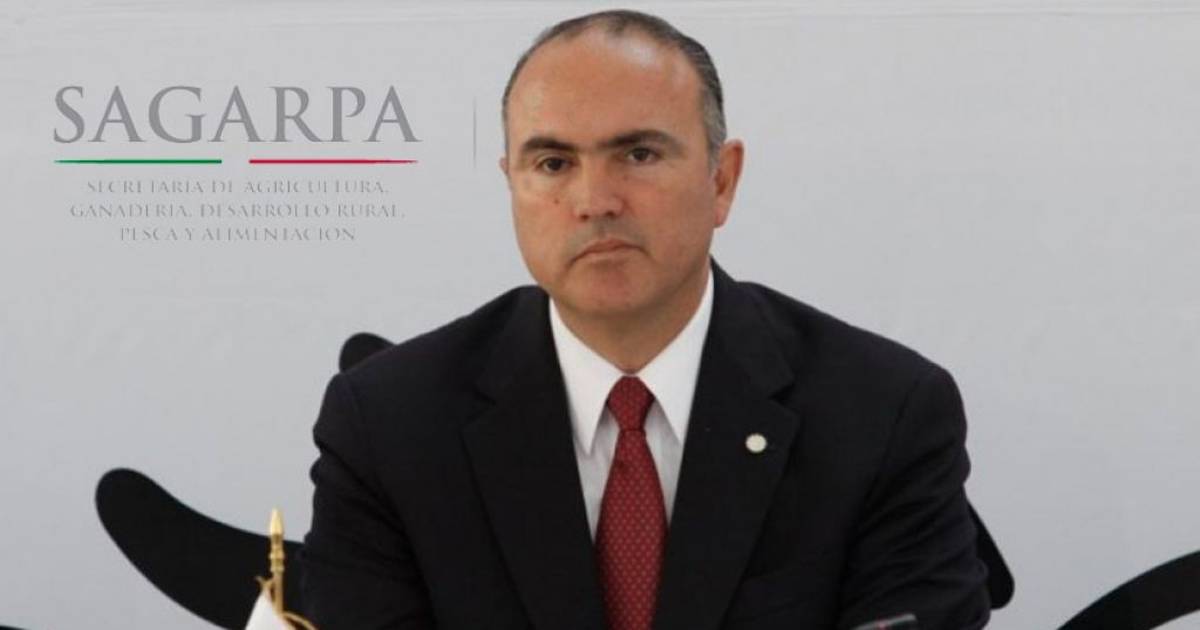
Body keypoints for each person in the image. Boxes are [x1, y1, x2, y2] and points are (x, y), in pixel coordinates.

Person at [300, 9, 991, 630]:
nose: (595, 200)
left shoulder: (884, 414)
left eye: (638, 154)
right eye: (553, 162)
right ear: (512, 183)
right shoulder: (388, 426)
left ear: (722, 180)